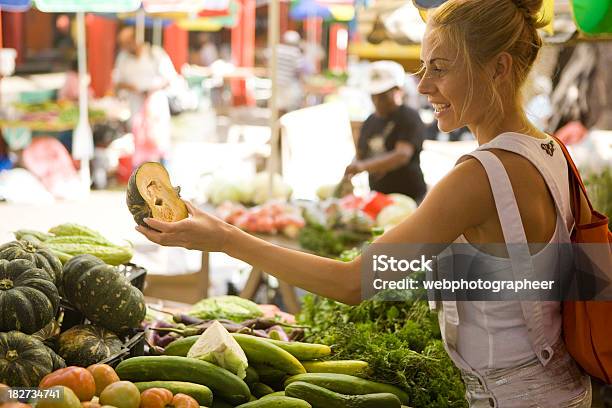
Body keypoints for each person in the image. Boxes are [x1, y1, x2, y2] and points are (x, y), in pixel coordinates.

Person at [136, 0, 594, 406]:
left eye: (440, 68)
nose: (422, 86)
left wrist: (226, 239)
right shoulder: (549, 150)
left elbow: (355, 283)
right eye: (422, 67)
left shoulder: (478, 178)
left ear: (498, 67)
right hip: (561, 387)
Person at [345, 60, 427, 203]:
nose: (377, 101)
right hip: (378, 197)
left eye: (383, 96)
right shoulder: (370, 121)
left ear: (398, 91)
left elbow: (402, 155)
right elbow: (360, 154)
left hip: (409, 197)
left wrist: (363, 167)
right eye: (373, 96)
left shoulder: (408, 117)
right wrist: (351, 171)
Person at [113, 26, 176, 166]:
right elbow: (117, 82)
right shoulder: (123, 58)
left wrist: (151, 89)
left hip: (156, 108)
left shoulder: (155, 54)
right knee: (140, 147)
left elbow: (170, 78)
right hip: (136, 108)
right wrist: (132, 87)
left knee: (160, 145)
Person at [276, 30, 307, 114]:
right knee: (290, 106)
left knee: (278, 105)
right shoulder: (295, 52)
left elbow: (265, 56)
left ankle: (277, 123)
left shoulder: (277, 49)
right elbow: (299, 70)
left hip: (276, 81)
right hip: (289, 83)